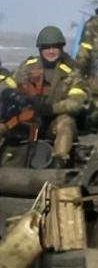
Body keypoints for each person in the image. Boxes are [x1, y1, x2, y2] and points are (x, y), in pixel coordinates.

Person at [9, 27, 89, 168]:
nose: (51, 51)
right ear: (40, 49)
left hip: (53, 121)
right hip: (27, 120)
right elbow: (11, 88)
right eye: (47, 47)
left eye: (55, 47)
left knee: (66, 122)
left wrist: (50, 109)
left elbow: (77, 102)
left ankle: (58, 163)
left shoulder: (71, 71)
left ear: (61, 48)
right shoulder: (27, 67)